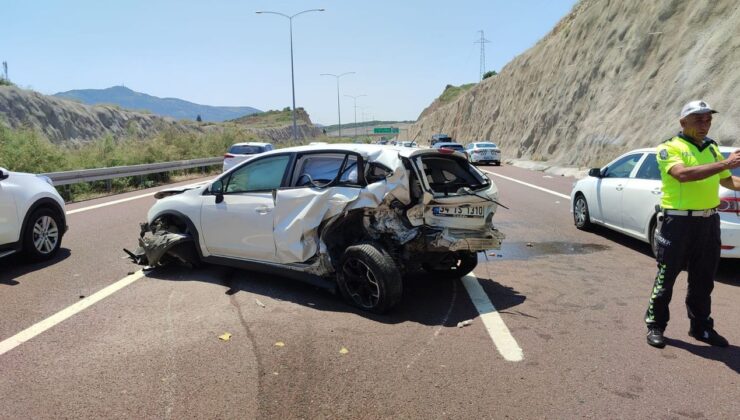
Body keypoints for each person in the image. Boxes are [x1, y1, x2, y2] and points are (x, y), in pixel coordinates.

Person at [645, 100, 740, 349]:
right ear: (682, 122)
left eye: (708, 119)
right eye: (698, 119)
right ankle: (655, 325)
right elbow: (683, 175)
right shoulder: (669, 147)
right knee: (667, 276)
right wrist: (725, 164)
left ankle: (701, 327)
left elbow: (728, 182)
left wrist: (727, 169)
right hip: (677, 222)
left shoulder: (711, 147)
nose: (704, 124)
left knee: (704, 279)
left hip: (708, 222)